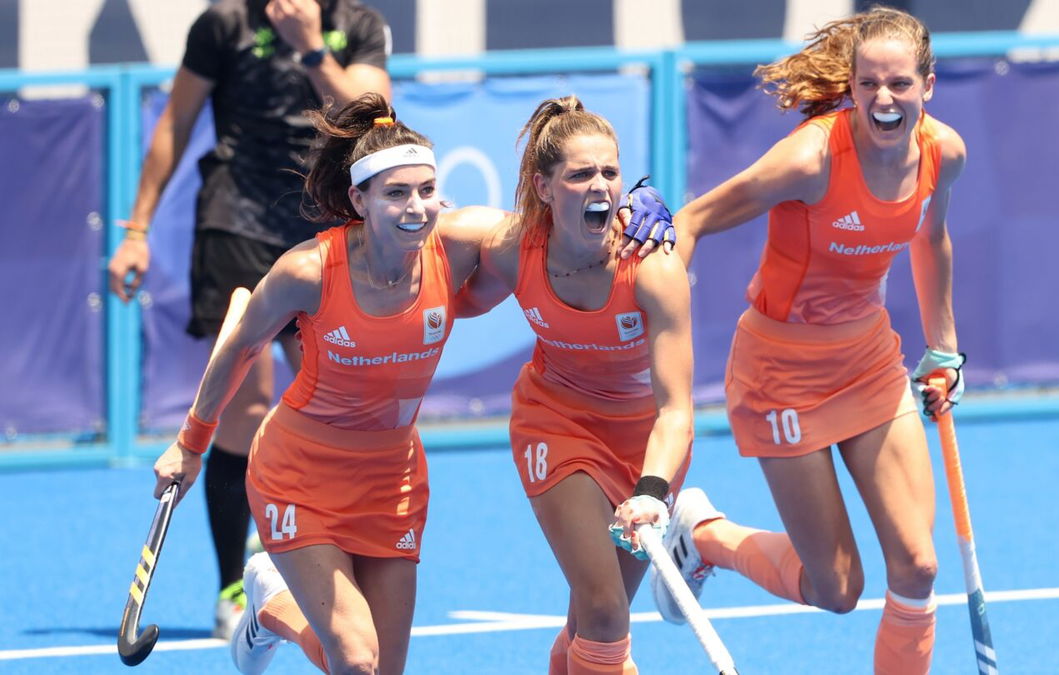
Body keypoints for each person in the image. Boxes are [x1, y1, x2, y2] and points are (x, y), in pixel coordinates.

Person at [636, 7, 967, 674]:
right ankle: (704, 536)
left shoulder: (943, 152)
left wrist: (944, 347)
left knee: (919, 564)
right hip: (780, 372)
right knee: (837, 589)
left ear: (927, 86)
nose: (883, 99)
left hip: (869, 358)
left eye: (900, 84)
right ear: (850, 83)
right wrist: (663, 345)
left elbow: (930, 236)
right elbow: (695, 218)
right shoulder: (812, 157)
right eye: (868, 83)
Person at [151, 93, 491, 674]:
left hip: (394, 480)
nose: (417, 208)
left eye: (427, 190)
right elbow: (241, 346)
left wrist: (629, 219)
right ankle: (272, 595)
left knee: (376, 670)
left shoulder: (456, 246)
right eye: (396, 193)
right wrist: (190, 443)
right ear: (358, 199)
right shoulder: (307, 271)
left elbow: (546, 234)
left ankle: (273, 604)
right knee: (357, 659)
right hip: (300, 472)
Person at [108, 0, 392, 638]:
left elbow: (378, 121)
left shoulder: (360, 24)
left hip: (326, 227)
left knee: (337, 397)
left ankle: (323, 561)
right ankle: (234, 585)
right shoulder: (224, 23)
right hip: (235, 220)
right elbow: (175, 122)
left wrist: (312, 46)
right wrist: (136, 229)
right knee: (247, 398)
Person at [456, 96, 695, 674]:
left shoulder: (654, 268)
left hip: (644, 445)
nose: (600, 186)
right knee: (607, 614)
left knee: (589, 626)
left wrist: (653, 490)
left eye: (610, 173)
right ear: (544, 187)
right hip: (554, 423)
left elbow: (677, 412)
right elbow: (437, 282)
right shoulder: (512, 247)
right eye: (581, 174)